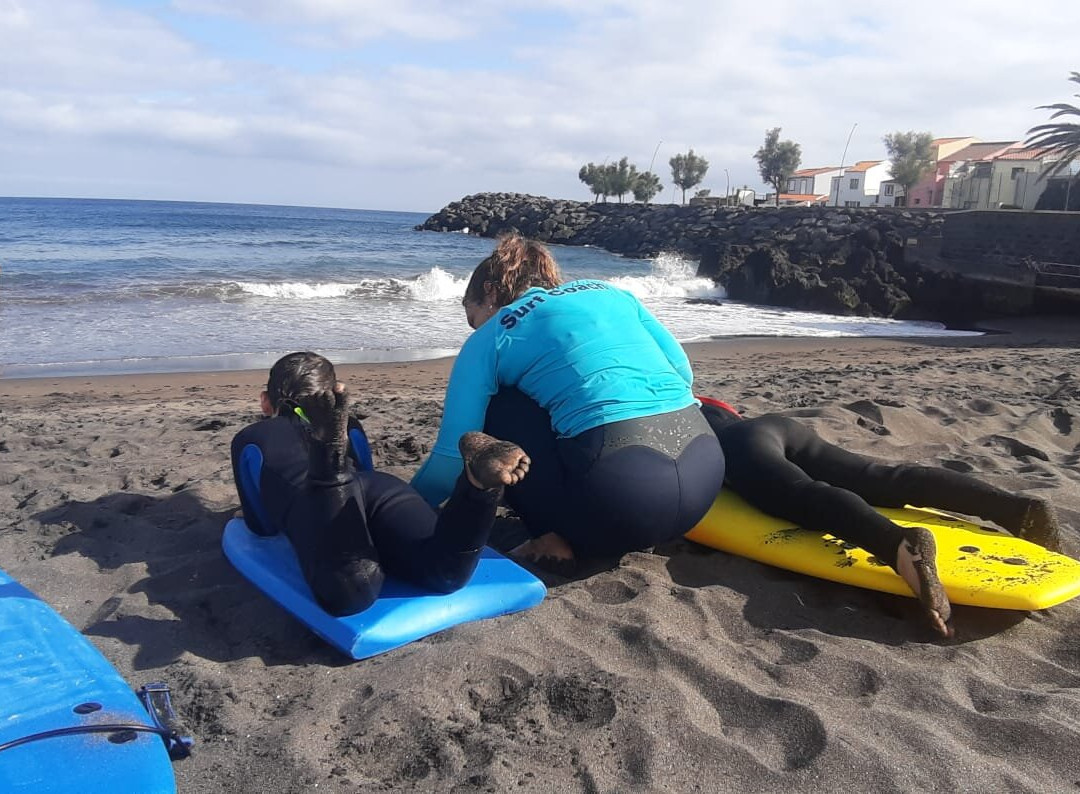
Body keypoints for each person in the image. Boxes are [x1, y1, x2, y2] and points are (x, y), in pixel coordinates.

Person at [410, 235, 725, 570]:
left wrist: (402, 505)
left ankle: (550, 537)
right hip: (704, 483)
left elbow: (448, 462)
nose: (473, 327)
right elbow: (682, 372)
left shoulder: (493, 334)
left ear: (489, 292)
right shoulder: (612, 294)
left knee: (499, 401)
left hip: (619, 506)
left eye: (471, 317)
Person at [699, 397, 1062, 638]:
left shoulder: (664, 412)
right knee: (883, 478)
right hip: (775, 426)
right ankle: (1013, 508)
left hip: (738, 449)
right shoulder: (682, 392)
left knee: (800, 495)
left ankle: (898, 544)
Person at [230, 352, 530, 617]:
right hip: (377, 488)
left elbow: (262, 526)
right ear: (334, 397)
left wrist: (250, 512)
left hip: (317, 500)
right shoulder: (351, 424)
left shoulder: (250, 439)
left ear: (265, 401)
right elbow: (363, 478)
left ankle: (327, 456)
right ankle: (478, 485)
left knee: (352, 593)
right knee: (444, 571)